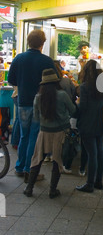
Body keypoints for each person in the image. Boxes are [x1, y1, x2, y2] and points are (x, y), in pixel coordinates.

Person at [7, 30, 56, 182]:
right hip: (39, 104)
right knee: (34, 137)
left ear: (28, 42)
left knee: (23, 135)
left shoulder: (19, 58)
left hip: (22, 103)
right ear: (43, 43)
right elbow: (55, 82)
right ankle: (30, 170)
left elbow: (11, 80)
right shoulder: (47, 61)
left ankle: (20, 167)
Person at [23, 69, 76, 198]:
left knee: (37, 159)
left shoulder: (38, 97)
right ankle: (52, 190)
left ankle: (29, 188)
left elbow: (36, 117)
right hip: (60, 132)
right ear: (56, 82)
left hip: (44, 132)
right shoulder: (62, 95)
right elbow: (73, 111)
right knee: (57, 161)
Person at [76, 60, 103, 193]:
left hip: (87, 123)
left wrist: (76, 103)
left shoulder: (84, 87)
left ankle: (89, 184)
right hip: (100, 123)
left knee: (92, 154)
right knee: (99, 152)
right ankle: (98, 181)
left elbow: (82, 106)